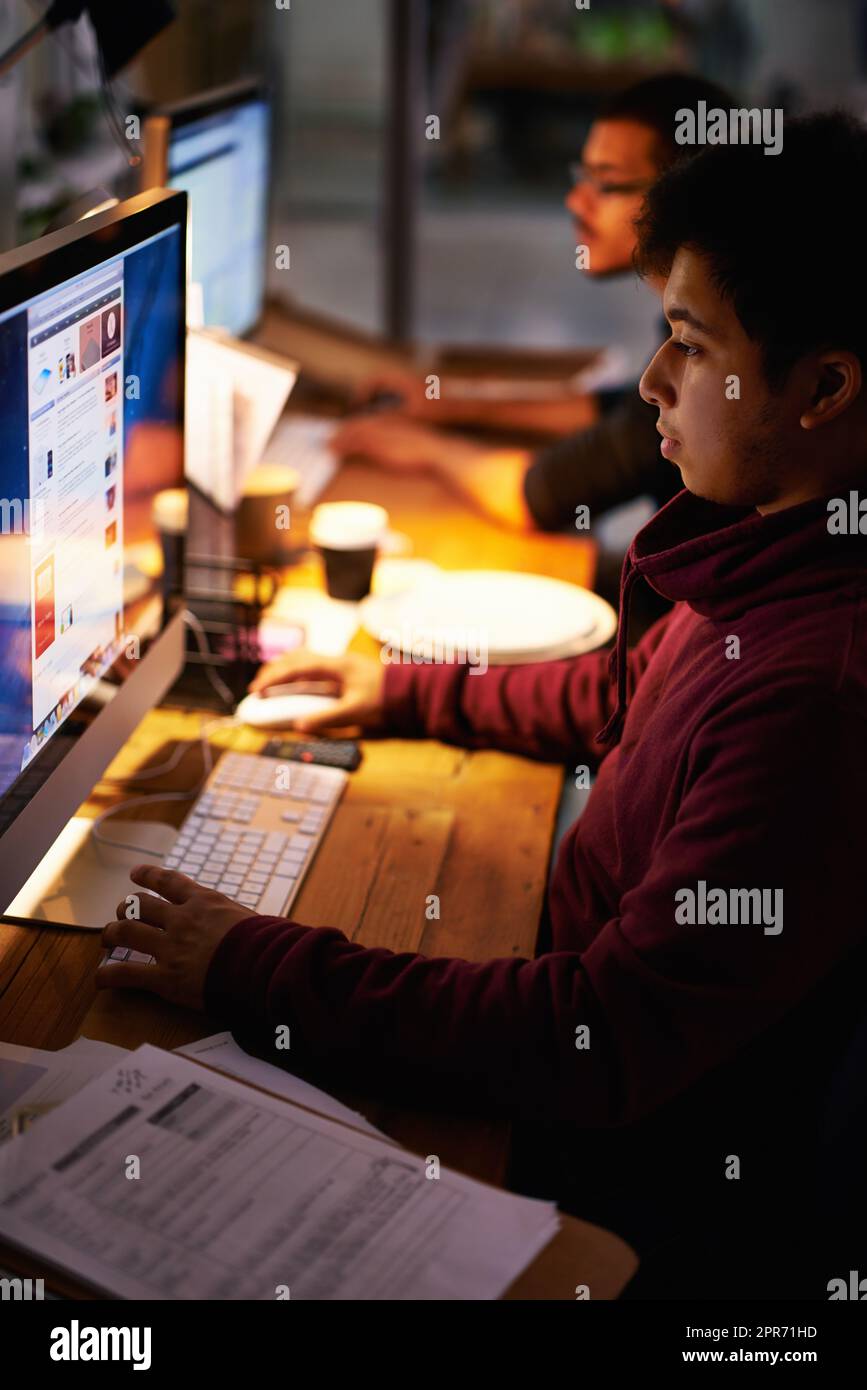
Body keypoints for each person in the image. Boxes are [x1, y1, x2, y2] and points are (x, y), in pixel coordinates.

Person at [98, 112, 867, 1298]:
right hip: (570, 1016)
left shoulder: (813, 688)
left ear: (822, 389)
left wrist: (250, 960)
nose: (653, 381)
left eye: (687, 341)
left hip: (617, 1167)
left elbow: (598, 1036)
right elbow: (625, 694)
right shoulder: (772, 545)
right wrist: (401, 688)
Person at [331, 73, 734, 536]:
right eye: (580, 177)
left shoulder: (705, 357)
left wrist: (421, 448)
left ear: (680, 195)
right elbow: (617, 412)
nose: (575, 201)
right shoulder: (695, 322)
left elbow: (539, 495)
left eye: (606, 184)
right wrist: (457, 406)